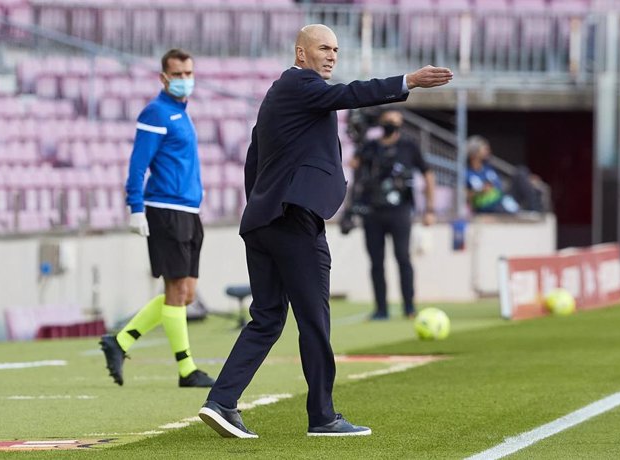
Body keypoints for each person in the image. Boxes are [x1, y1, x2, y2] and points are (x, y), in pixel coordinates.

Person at [197, 24, 452, 438]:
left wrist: (262, 206)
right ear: (301, 53)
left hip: (264, 221)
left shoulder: (279, 96)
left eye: (336, 49)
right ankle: (322, 417)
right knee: (314, 320)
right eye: (323, 48)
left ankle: (222, 401)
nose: (332, 55)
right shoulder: (302, 85)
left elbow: (252, 158)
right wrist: (408, 81)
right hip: (294, 221)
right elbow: (350, 95)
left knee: (266, 319)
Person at [99, 48, 214, 389]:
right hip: (165, 210)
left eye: (188, 73)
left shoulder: (182, 113)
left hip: (189, 212)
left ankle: (119, 342)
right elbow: (137, 164)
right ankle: (186, 369)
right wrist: (135, 207)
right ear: (163, 78)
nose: (184, 80)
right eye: (177, 75)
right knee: (177, 291)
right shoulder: (156, 112)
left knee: (186, 293)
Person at [349, 109, 436, 320]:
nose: (391, 125)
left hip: (400, 210)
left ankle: (409, 307)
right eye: (388, 121)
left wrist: (429, 209)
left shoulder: (409, 146)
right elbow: (355, 170)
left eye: (395, 122)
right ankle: (381, 309)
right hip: (373, 211)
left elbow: (428, 174)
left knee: (403, 258)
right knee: (376, 262)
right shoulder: (370, 147)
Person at [466, 135, 520, 214]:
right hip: (485, 205)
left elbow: (500, 187)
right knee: (504, 205)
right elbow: (463, 195)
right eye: (485, 149)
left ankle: (532, 208)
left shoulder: (489, 169)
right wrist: (480, 190)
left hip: (500, 198)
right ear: (475, 152)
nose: (488, 151)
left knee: (521, 172)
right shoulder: (466, 173)